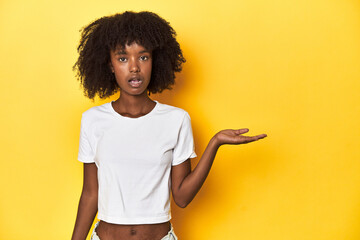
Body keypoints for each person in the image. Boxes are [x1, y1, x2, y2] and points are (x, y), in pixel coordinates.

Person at [71, 11, 267, 240]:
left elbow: (182, 197)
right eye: (123, 58)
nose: (134, 67)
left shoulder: (176, 120)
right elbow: (90, 194)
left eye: (143, 57)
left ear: (155, 61)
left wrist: (215, 143)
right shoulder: (93, 120)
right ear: (110, 65)